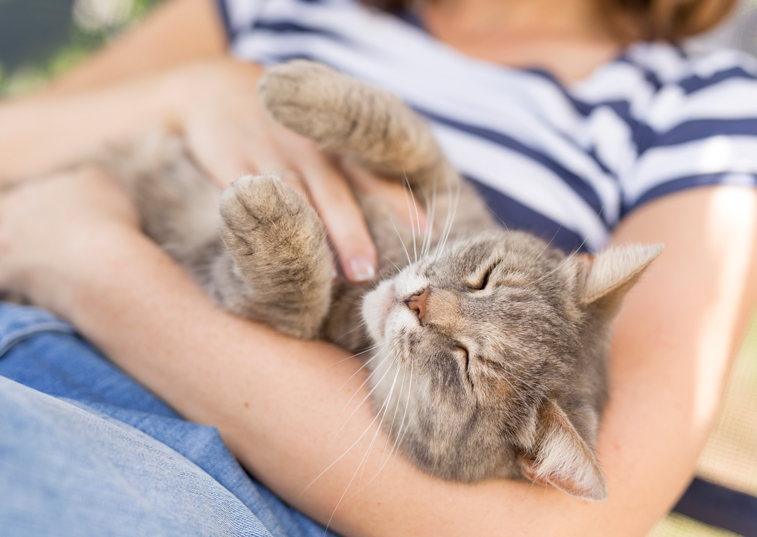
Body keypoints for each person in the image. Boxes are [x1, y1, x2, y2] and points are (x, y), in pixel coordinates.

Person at [1, 0, 757, 534]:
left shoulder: (702, 112)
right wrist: (184, 92)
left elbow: (569, 528)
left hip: (200, 475)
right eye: (484, 281)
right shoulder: (274, 5)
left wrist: (92, 265)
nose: (431, 303)